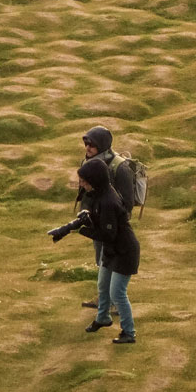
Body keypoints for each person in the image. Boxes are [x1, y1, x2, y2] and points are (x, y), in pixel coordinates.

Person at [63, 156, 140, 344]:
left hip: (124, 251)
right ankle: (102, 318)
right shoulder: (99, 193)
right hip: (112, 249)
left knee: (117, 293)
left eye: (84, 180)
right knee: (103, 285)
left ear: (94, 180)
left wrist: (82, 230)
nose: (81, 183)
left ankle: (129, 332)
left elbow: (108, 235)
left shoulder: (108, 201)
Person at [76, 126, 136, 311]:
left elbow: (128, 202)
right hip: (96, 223)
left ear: (102, 145)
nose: (87, 148)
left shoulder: (120, 167)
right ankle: (105, 299)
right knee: (101, 260)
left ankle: (116, 302)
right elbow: (85, 194)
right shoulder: (88, 164)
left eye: (92, 144)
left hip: (115, 226)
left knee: (114, 262)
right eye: (86, 143)